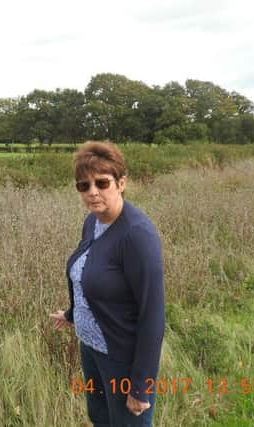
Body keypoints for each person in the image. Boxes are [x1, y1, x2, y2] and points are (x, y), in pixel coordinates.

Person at [49, 141, 165, 427]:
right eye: (83, 185)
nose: (92, 192)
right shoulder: (93, 222)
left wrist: (141, 385)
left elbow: (153, 315)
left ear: (121, 182)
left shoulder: (137, 235)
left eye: (102, 183)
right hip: (90, 348)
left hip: (121, 358)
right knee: (99, 417)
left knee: (127, 423)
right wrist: (72, 314)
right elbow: (89, 275)